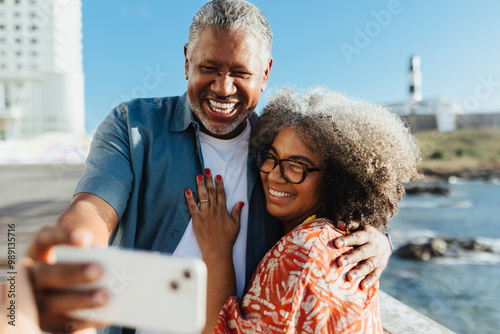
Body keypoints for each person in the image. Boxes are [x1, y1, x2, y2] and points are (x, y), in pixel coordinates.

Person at [27, 1, 393, 333]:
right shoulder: (132, 125)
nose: (223, 87)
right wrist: (73, 254)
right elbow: (93, 208)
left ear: (265, 73)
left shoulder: (278, 146)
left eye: (240, 72)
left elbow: (338, 198)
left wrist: (380, 240)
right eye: (208, 68)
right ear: (186, 60)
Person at [185, 87, 421, 333]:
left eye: (297, 165)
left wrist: (216, 251)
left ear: (337, 179)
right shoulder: (333, 239)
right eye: (271, 157)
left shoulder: (304, 251)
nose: (275, 175)